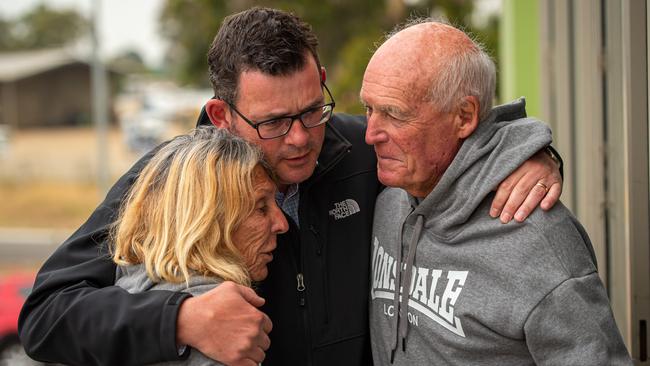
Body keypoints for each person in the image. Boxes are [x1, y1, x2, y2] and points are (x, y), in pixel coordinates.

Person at [19, 7, 563, 366]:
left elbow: (455, 128)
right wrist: (181, 320)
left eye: (312, 109)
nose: (302, 138)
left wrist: (528, 154)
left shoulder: (366, 149)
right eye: (275, 122)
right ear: (221, 114)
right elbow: (46, 314)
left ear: (322, 79)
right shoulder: (172, 182)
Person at [364, 19, 631, 365]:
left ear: (464, 116)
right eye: (368, 108)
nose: (370, 134)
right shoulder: (388, 197)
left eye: (394, 114)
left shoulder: (537, 241)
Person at [112, 126, 288, 365]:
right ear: (207, 222)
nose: (281, 223)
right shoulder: (222, 330)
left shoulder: (127, 288)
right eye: (261, 208)